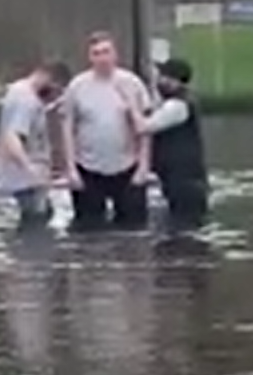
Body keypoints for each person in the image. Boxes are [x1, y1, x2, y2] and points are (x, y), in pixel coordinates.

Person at [61, 31, 151, 230]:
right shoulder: (77, 86)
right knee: (88, 229)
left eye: (106, 52)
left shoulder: (132, 83)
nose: (102, 58)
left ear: (115, 54)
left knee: (134, 229)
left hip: (128, 166)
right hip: (88, 167)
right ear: (89, 57)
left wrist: (144, 166)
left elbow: (145, 128)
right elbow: (67, 127)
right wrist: (71, 169)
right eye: (96, 53)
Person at [118, 58, 209, 231]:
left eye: (162, 77)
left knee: (183, 229)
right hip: (181, 180)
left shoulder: (178, 106)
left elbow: (143, 127)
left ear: (175, 81)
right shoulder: (176, 103)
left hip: (184, 183)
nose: (158, 81)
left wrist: (131, 103)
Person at [0, 60, 71, 228]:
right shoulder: (26, 100)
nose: (55, 95)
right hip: (28, 183)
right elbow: (12, 138)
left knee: (42, 218)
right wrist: (31, 170)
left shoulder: (18, 91)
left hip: (24, 180)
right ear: (48, 79)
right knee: (36, 229)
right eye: (57, 90)